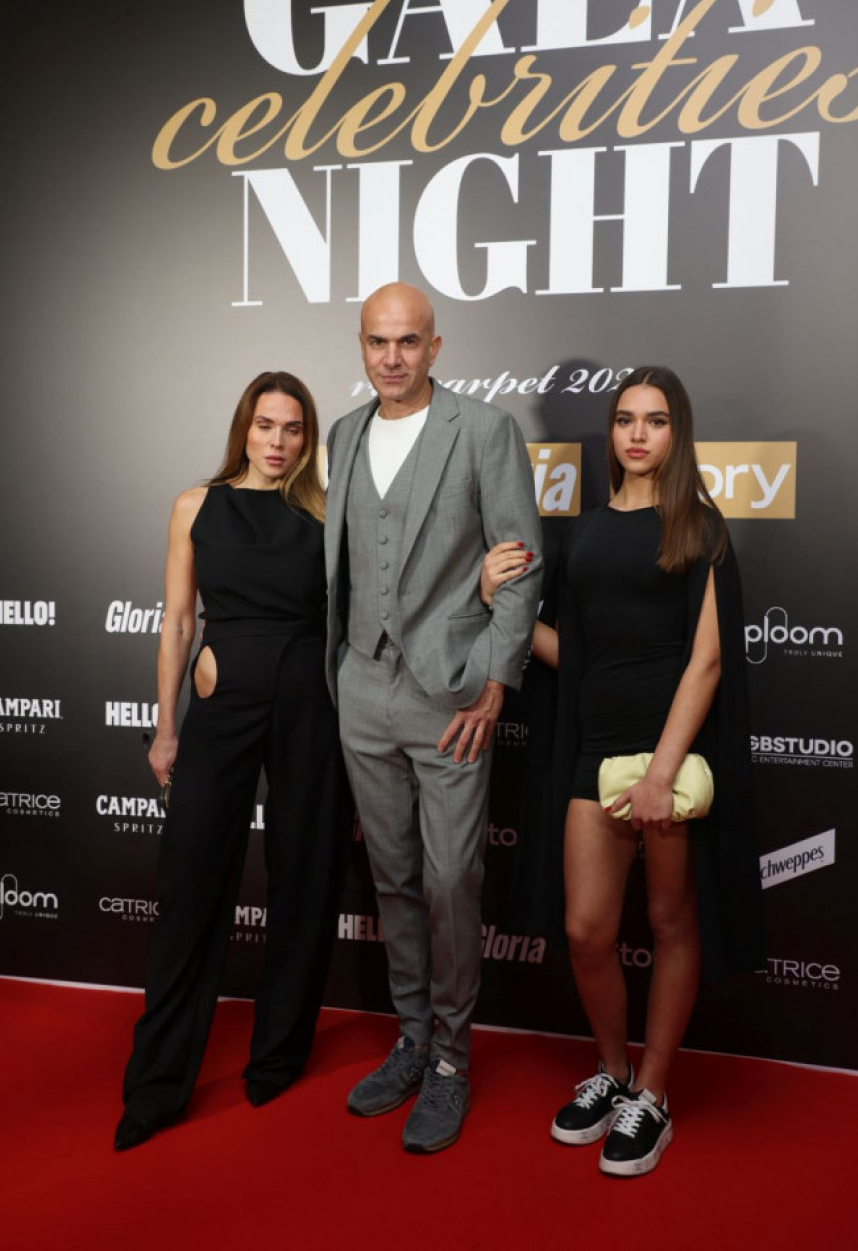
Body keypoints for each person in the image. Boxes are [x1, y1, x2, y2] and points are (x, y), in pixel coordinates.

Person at [483, 366, 762, 1177]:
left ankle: (654, 1093)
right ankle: (612, 1071)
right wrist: (496, 601)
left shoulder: (701, 526)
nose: (639, 433)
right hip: (592, 750)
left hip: (671, 757)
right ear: (611, 431)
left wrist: (661, 774)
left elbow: (708, 662)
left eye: (657, 419)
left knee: (672, 922)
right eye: (626, 418)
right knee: (586, 928)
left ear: (678, 433)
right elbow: (570, 654)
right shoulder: (583, 533)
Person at [324, 282, 542, 1153]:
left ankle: (452, 1059)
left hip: (451, 694)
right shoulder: (343, 434)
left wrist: (495, 680)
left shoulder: (483, 430)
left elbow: (520, 563)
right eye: (378, 341)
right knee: (393, 877)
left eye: (409, 341)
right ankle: (412, 1038)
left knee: (452, 881)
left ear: (436, 346)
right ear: (362, 345)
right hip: (361, 688)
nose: (392, 356)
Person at [114, 371, 351, 1151]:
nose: (277, 441)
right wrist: (165, 726)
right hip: (222, 707)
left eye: (293, 428)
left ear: (307, 437)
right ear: (243, 428)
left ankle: (278, 1055)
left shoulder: (327, 512)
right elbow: (179, 621)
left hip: (312, 708)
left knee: (305, 875)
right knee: (189, 883)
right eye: (265, 425)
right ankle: (156, 1085)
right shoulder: (197, 504)